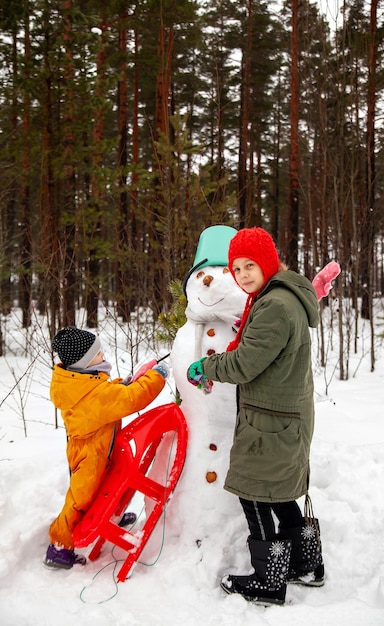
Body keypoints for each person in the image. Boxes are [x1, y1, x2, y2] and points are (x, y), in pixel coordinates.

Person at [187, 227, 324, 606]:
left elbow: (246, 363)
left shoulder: (275, 306)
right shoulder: (275, 297)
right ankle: (307, 565)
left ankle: (269, 580)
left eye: (250, 265)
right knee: (276, 492)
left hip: (271, 419)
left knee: (255, 494)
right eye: (237, 267)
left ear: (267, 264)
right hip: (281, 415)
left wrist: (208, 366)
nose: (244, 274)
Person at [44, 326, 169, 570]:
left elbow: (106, 392)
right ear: (85, 362)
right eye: (98, 354)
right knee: (81, 498)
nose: (103, 355)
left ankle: (111, 515)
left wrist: (123, 383)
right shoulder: (94, 394)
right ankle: (58, 545)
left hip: (99, 448)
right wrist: (157, 376)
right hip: (90, 455)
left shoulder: (78, 381)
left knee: (110, 484)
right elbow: (132, 399)